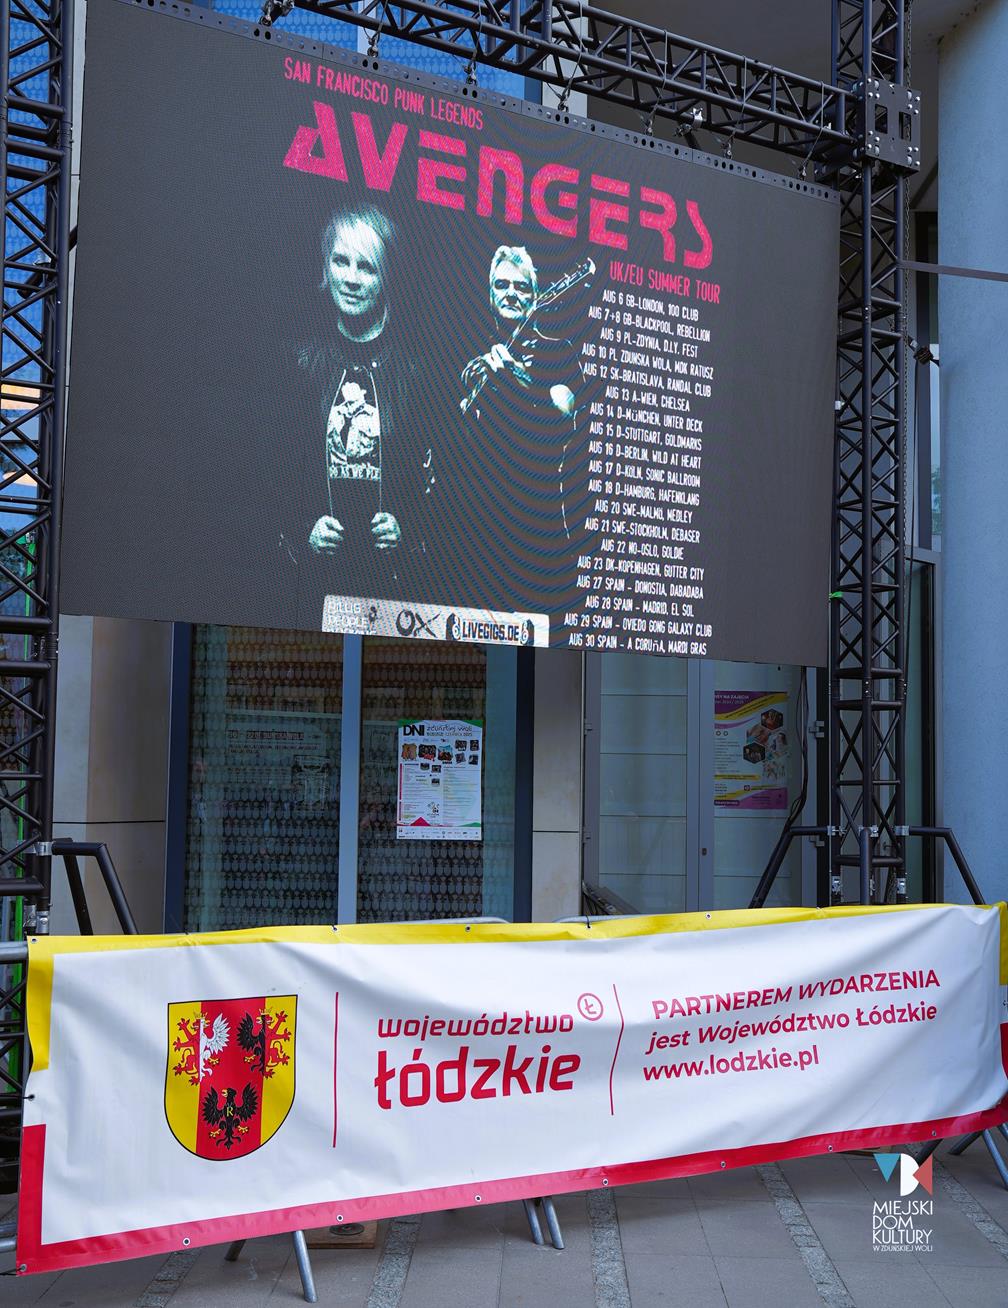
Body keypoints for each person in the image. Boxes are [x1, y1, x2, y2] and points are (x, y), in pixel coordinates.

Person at [281, 206, 434, 627]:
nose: (350, 278)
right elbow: (273, 474)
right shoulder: (300, 363)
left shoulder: (416, 372)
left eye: (367, 267)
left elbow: (438, 481)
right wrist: (303, 530)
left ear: (388, 277)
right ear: (324, 269)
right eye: (340, 261)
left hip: (393, 589)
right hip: (314, 588)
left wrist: (408, 528)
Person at [452, 245, 588, 616]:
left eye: (521, 286)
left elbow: (562, 416)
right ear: (490, 295)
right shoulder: (475, 359)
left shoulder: (557, 352)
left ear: (536, 297)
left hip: (532, 530)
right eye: (501, 285)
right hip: (475, 532)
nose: (511, 293)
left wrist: (515, 378)